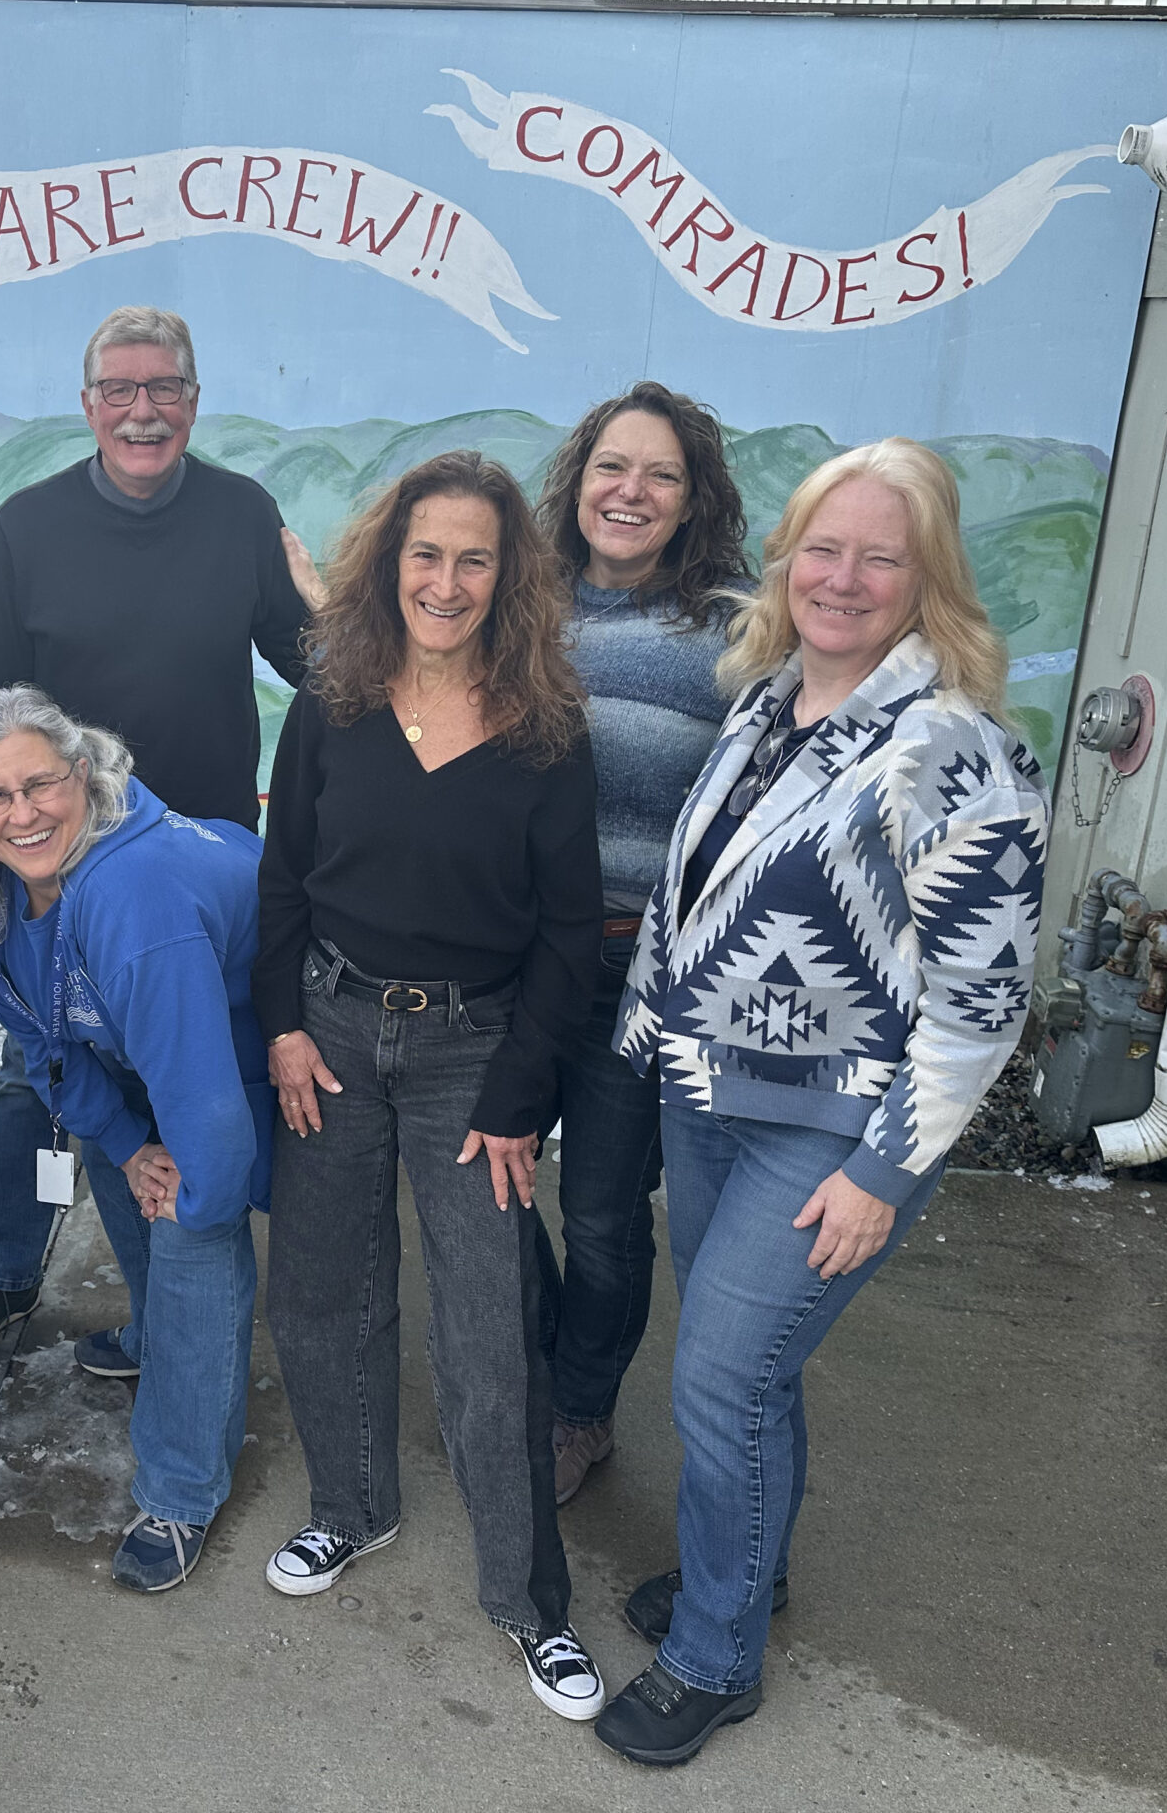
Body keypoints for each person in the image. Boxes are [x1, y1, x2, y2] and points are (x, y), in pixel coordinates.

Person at [594, 439, 1048, 1767]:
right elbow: (699, 898)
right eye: (821, 550)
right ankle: (749, 1572)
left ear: (930, 580)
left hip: (828, 1138)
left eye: (880, 557)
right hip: (710, 1101)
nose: (842, 578)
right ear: (782, 563)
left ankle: (717, 1655)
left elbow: (982, 1002)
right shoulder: (767, 699)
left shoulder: (952, 749)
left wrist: (885, 1172)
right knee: (752, 1375)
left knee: (722, 1381)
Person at [256, 450, 606, 1721]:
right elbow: (282, 880)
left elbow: (571, 936)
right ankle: (351, 1508)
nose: (445, 581)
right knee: (321, 1289)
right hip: (334, 1033)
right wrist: (284, 1030)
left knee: (489, 1335)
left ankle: (526, 1602)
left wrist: (519, 1093)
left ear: (507, 576)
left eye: (473, 557)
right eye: (424, 554)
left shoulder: (547, 735)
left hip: (474, 1054)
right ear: (386, 565)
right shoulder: (331, 705)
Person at [0, 306, 310, 1359]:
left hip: (196, 875)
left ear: (193, 400)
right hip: (55, 864)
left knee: (201, 1093)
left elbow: (311, 668)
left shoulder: (241, 515)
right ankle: (9, 1275)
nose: (142, 411)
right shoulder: (29, 526)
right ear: (88, 402)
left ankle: (186, 1321)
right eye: (120, 390)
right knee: (40, 1077)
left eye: (165, 389)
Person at [0, 685, 271, 1592]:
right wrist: (128, 1146)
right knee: (126, 1170)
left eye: (41, 785)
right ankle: (162, 1335)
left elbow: (204, 1108)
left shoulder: (133, 894)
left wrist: (185, 1187)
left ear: (82, 774)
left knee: (195, 1226)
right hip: (130, 1046)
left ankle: (182, 1483)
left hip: (248, 1040)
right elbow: (46, 1043)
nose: (23, 814)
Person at [530, 381, 751, 1505]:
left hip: (638, 970)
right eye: (613, 467)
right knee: (482, 1184)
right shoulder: (521, 603)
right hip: (515, 962)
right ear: (578, 480)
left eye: (660, 474)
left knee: (605, 1219)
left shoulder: (735, 625)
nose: (631, 491)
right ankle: (526, 1366)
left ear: (691, 497)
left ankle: (578, 1414)